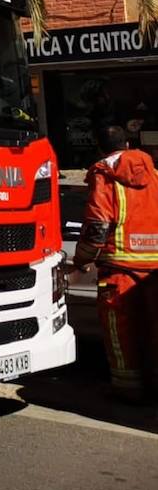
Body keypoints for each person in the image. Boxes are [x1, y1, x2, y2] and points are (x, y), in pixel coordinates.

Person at [73, 124, 158, 402]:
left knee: (119, 331)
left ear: (99, 145)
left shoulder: (104, 174)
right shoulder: (154, 174)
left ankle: (126, 389)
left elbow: (97, 224)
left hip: (119, 269)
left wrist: (83, 258)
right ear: (129, 144)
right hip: (154, 269)